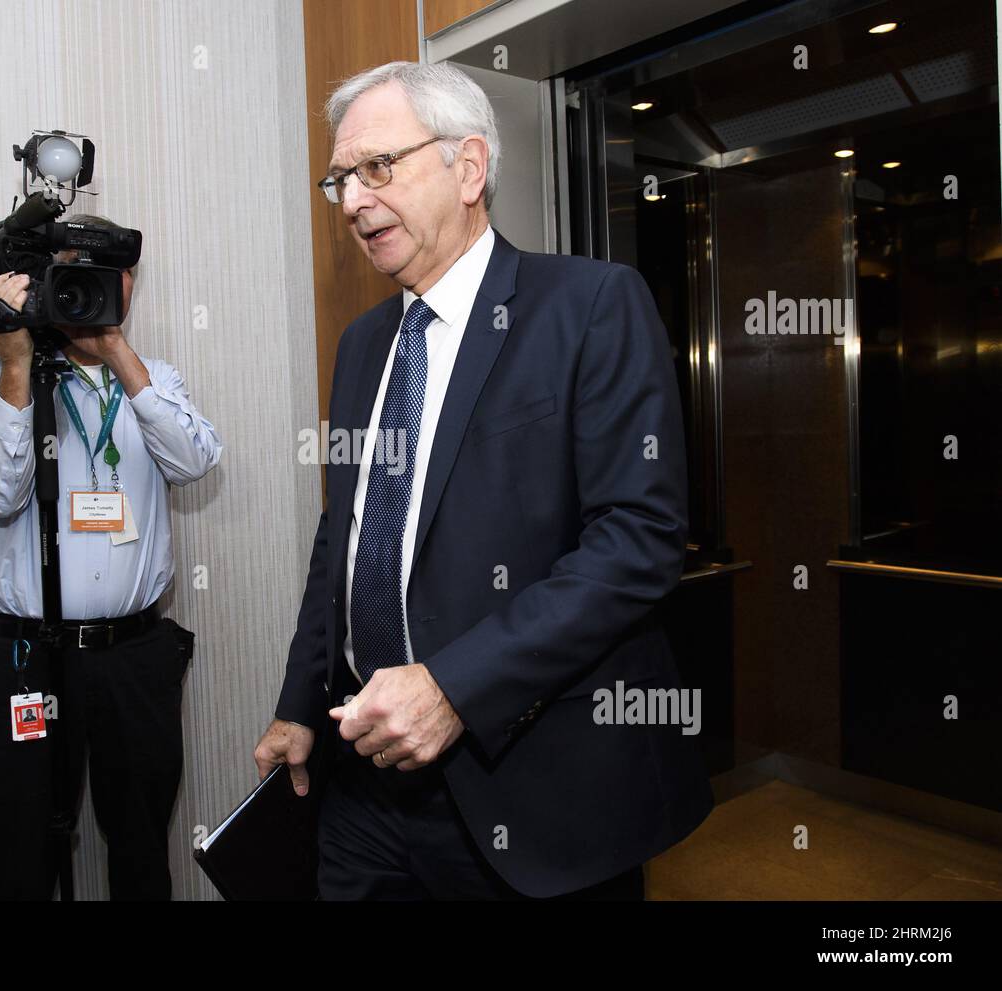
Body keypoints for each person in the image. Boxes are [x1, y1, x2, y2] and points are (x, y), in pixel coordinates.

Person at [254, 62, 712, 900]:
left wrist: (454, 688)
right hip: (366, 788)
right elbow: (345, 538)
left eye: (377, 168)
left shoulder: (590, 305)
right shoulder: (361, 346)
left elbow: (637, 542)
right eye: (340, 179)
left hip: (534, 791)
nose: (353, 201)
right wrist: (297, 702)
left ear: (468, 168)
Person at [0, 214, 223, 899]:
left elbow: (195, 461)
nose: (101, 287)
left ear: (130, 285)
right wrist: (17, 364)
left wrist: (118, 354)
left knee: (140, 846)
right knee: (17, 850)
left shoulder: (154, 378)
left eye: (117, 275)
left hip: (133, 656)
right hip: (25, 655)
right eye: (79, 273)